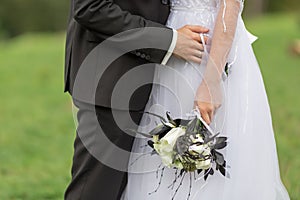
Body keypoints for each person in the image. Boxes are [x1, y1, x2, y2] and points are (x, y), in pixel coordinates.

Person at [121, 0, 291, 199]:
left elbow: (230, 7)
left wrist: (211, 81)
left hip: (207, 50)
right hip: (172, 47)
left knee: (207, 151)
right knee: (166, 151)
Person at [63, 0, 210, 199]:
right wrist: (169, 41)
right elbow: (90, 8)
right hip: (111, 76)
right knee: (95, 190)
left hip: (159, 81)